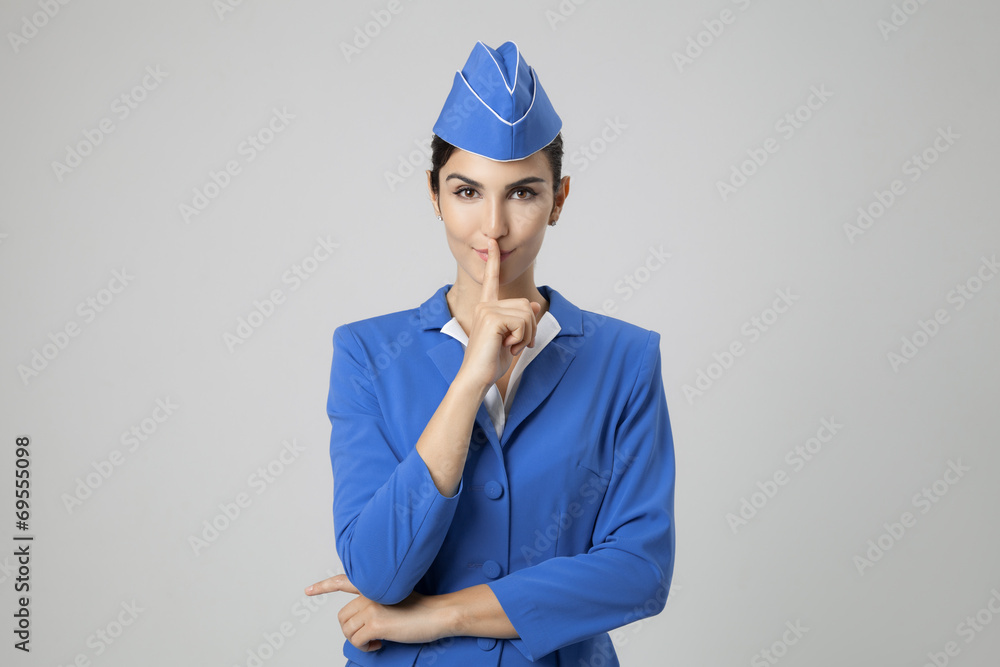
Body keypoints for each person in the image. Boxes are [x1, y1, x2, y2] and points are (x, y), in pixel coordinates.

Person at [304, 40, 676, 666]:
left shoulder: (625, 359)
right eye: (468, 192)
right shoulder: (367, 353)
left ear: (559, 200)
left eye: (523, 193)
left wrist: (439, 615)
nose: (494, 227)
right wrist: (470, 379)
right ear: (434, 195)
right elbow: (378, 571)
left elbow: (639, 571)